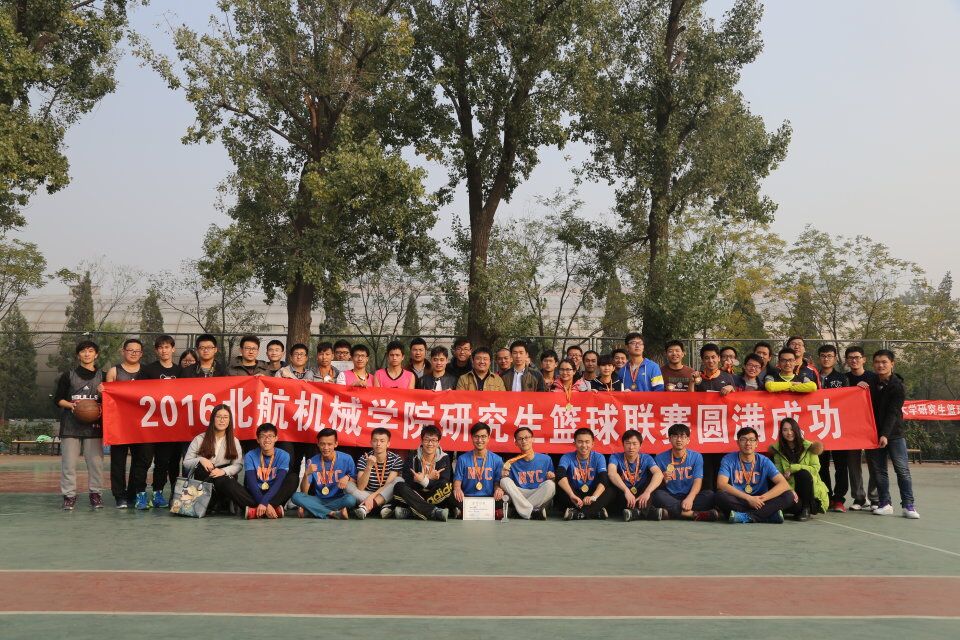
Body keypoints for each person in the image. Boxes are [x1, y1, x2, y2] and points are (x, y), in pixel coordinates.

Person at [865, 349, 918, 518]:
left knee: (902, 470)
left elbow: (893, 412)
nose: (880, 365)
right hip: (874, 434)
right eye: (877, 362)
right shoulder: (870, 383)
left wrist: (885, 435)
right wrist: (860, 388)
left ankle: (908, 505)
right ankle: (885, 503)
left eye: (884, 362)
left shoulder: (898, 385)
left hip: (894, 434)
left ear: (892, 364)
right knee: (879, 471)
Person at [55, 340, 105, 511]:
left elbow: (111, 401)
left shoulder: (103, 376)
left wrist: (103, 395)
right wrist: (71, 405)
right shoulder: (68, 375)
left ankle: (95, 494)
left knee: (96, 464)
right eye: (83, 351)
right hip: (71, 426)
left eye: (90, 351)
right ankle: (69, 496)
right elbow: (58, 399)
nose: (87, 354)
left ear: (96, 354)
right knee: (68, 464)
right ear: (78, 355)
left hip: (94, 426)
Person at [138, 334, 183, 509]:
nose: (164, 350)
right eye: (160, 347)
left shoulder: (180, 372)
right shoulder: (148, 370)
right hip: (150, 425)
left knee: (163, 462)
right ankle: (140, 495)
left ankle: (158, 493)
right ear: (156, 351)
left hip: (169, 426)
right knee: (144, 461)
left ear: (173, 349)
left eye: (167, 347)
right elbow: (136, 393)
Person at [716, 427, 796, 523]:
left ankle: (747, 516)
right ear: (738, 442)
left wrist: (760, 499)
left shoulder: (764, 461)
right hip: (740, 499)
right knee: (720, 496)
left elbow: (784, 484)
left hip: (762, 501)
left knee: (788, 495)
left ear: (756, 443)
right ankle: (767, 515)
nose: (748, 443)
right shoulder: (728, 459)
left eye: (751, 440)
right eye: (743, 439)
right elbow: (721, 484)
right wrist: (749, 498)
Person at [181, 404, 245, 512]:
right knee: (204, 469)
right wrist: (201, 459)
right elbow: (186, 462)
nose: (222, 420)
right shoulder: (200, 439)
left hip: (223, 479)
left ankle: (251, 507)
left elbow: (238, 465)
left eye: (225, 417)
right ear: (212, 419)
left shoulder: (234, 441)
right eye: (218, 417)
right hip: (203, 481)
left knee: (224, 478)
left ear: (229, 420)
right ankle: (249, 506)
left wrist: (223, 471)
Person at [104, 339, 144, 508]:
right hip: (119, 424)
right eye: (130, 350)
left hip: (140, 424)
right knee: (118, 462)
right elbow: (107, 398)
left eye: (137, 351)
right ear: (123, 351)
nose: (133, 353)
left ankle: (132, 493)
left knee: (139, 461)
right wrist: (103, 390)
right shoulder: (114, 371)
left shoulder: (146, 372)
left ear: (141, 354)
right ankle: (119, 495)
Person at [652, 424, 719, 521]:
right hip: (670, 496)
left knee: (710, 495)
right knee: (657, 495)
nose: (679, 440)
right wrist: (663, 479)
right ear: (669, 439)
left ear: (688, 440)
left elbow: (697, 480)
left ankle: (670, 513)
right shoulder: (659, 458)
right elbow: (656, 484)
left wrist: (690, 498)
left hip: (690, 495)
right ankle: (693, 514)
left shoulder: (696, 457)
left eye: (683, 436)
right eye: (675, 436)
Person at [767, 417, 828, 521]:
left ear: (797, 430)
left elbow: (815, 469)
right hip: (791, 492)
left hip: (811, 495)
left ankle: (806, 509)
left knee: (803, 473)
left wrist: (793, 468)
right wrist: (783, 476)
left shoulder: (809, 447)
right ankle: (790, 508)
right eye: (785, 430)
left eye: (792, 429)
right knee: (770, 476)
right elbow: (778, 471)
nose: (789, 433)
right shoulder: (777, 449)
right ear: (781, 432)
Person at [292, 428, 358, 519]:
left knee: (351, 500)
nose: (326, 448)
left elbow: (356, 481)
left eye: (329, 444)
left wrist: (348, 478)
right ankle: (332, 513)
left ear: (336, 444)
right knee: (296, 497)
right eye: (322, 444)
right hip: (319, 499)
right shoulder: (312, 461)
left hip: (339, 499)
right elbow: (304, 492)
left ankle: (313, 510)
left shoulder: (347, 459)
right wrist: (306, 474)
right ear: (318, 444)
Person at [237, 423, 299, 519]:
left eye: (270, 436)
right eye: (263, 436)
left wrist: (264, 503)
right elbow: (251, 483)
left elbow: (279, 482)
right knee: (233, 484)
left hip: (274, 494)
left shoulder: (284, 455)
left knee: (293, 478)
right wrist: (265, 503)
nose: (266, 440)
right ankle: (273, 509)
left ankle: (256, 510)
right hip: (256, 492)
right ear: (258, 440)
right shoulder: (250, 455)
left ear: (276, 438)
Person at [392, 426, 452, 521]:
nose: (430, 444)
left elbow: (445, 480)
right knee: (399, 486)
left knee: (447, 486)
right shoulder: (412, 457)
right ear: (421, 441)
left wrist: (424, 480)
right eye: (426, 440)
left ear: (438, 442)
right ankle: (434, 511)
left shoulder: (444, 458)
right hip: (416, 493)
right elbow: (407, 479)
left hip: (433, 495)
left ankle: (413, 511)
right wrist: (427, 478)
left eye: (434, 440)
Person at [845, 345, 879, 510]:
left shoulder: (874, 378)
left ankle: (875, 498)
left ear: (864, 359)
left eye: (857, 357)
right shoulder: (844, 379)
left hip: (870, 426)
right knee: (853, 463)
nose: (854, 360)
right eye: (850, 358)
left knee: (874, 462)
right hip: (851, 427)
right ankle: (859, 498)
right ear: (846, 361)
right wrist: (853, 390)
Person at [816, 344, 850, 511]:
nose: (826, 359)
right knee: (821, 465)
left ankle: (839, 499)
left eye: (829, 356)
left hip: (837, 427)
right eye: (823, 356)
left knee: (841, 465)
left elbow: (849, 400)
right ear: (819, 358)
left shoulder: (842, 378)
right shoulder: (812, 377)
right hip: (818, 427)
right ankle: (827, 496)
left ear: (835, 358)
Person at [607, 429, 665, 521]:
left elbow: (658, 474)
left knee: (655, 481)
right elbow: (611, 473)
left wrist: (647, 492)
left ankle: (636, 513)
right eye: (628, 443)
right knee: (612, 488)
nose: (631, 447)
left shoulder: (646, 458)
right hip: (625, 494)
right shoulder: (615, 457)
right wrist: (626, 491)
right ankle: (649, 512)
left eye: (634, 444)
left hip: (642, 494)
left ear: (640, 445)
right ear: (623, 444)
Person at [500, 427, 556, 520]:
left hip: (538, 492)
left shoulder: (546, 459)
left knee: (550, 485)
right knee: (504, 481)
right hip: (520, 494)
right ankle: (531, 512)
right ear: (516, 443)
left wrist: (552, 477)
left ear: (533, 439)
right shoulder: (511, 462)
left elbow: (551, 481)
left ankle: (518, 512)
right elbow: (510, 488)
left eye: (526, 437)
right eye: (520, 439)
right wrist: (503, 475)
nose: (524, 441)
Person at [349, 427, 404, 519]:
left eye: (382, 441)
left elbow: (388, 485)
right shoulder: (364, 458)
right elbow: (361, 487)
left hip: (385, 493)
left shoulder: (396, 459)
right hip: (366, 493)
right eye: (375, 441)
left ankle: (367, 507)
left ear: (388, 443)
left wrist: (372, 497)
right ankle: (382, 507)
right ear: (371, 442)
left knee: (399, 480)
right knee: (348, 485)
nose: (378, 444)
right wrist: (369, 466)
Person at [556, 428, 611, 520]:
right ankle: (595, 512)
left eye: (587, 442)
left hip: (592, 494)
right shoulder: (566, 457)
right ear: (574, 443)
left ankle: (578, 513)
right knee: (559, 485)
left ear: (592, 444)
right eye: (580, 442)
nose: (584, 445)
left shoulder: (599, 457)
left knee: (610, 489)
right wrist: (571, 495)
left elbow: (603, 479)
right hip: (574, 494)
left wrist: (594, 497)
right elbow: (560, 474)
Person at [453, 422, 505, 518]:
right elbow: (457, 481)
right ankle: (493, 513)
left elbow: (497, 482)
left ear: (488, 438)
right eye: (476, 437)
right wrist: (457, 489)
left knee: (505, 498)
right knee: (451, 496)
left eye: (483, 437)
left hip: (489, 499)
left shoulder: (497, 460)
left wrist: (498, 489)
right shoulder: (462, 459)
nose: (480, 440)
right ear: (472, 438)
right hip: (467, 498)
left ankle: (463, 513)